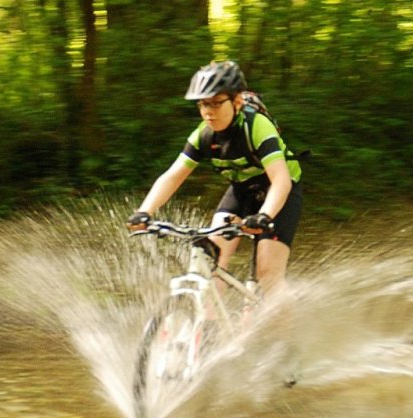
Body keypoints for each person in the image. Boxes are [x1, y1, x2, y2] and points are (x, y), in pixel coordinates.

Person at [126, 60, 303, 296]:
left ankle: (286, 331)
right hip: (242, 190)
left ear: (236, 101)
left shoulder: (257, 127)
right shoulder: (204, 134)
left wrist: (264, 216)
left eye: (216, 103)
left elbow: (281, 180)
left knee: (268, 273)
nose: (208, 111)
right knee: (208, 260)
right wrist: (145, 212)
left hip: (280, 193)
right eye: (202, 104)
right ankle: (208, 327)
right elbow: (173, 175)